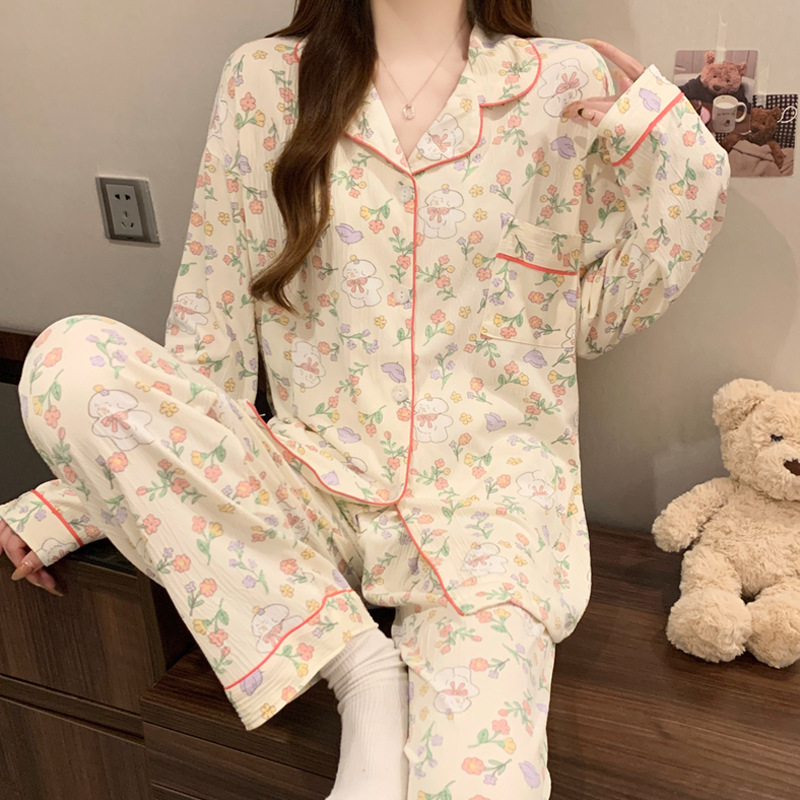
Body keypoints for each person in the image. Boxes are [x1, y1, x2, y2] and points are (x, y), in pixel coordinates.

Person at [0, 1, 731, 798]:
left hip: (486, 515)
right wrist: (90, 497)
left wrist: (686, 169)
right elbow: (211, 327)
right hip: (313, 481)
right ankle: (357, 665)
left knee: (479, 784)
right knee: (67, 360)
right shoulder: (264, 81)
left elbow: (594, 319)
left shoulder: (561, 81)